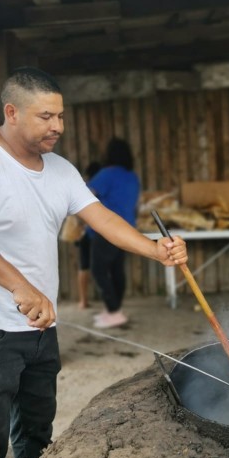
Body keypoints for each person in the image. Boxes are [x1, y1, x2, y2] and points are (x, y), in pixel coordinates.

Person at [0, 66, 187, 458]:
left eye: (61, 116)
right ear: (11, 112)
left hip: (36, 327)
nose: (58, 126)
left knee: (35, 431)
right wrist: (20, 287)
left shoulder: (62, 169)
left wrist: (155, 249)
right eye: (46, 116)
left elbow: (103, 218)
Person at [87, 138, 140, 328]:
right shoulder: (132, 176)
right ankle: (115, 310)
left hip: (106, 230)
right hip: (126, 229)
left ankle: (114, 311)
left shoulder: (106, 174)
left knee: (99, 270)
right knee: (117, 270)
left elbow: (85, 196)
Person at [76, 161, 102, 309]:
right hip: (96, 232)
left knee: (83, 266)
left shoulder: (84, 186)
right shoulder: (97, 187)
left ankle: (83, 300)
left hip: (85, 231)